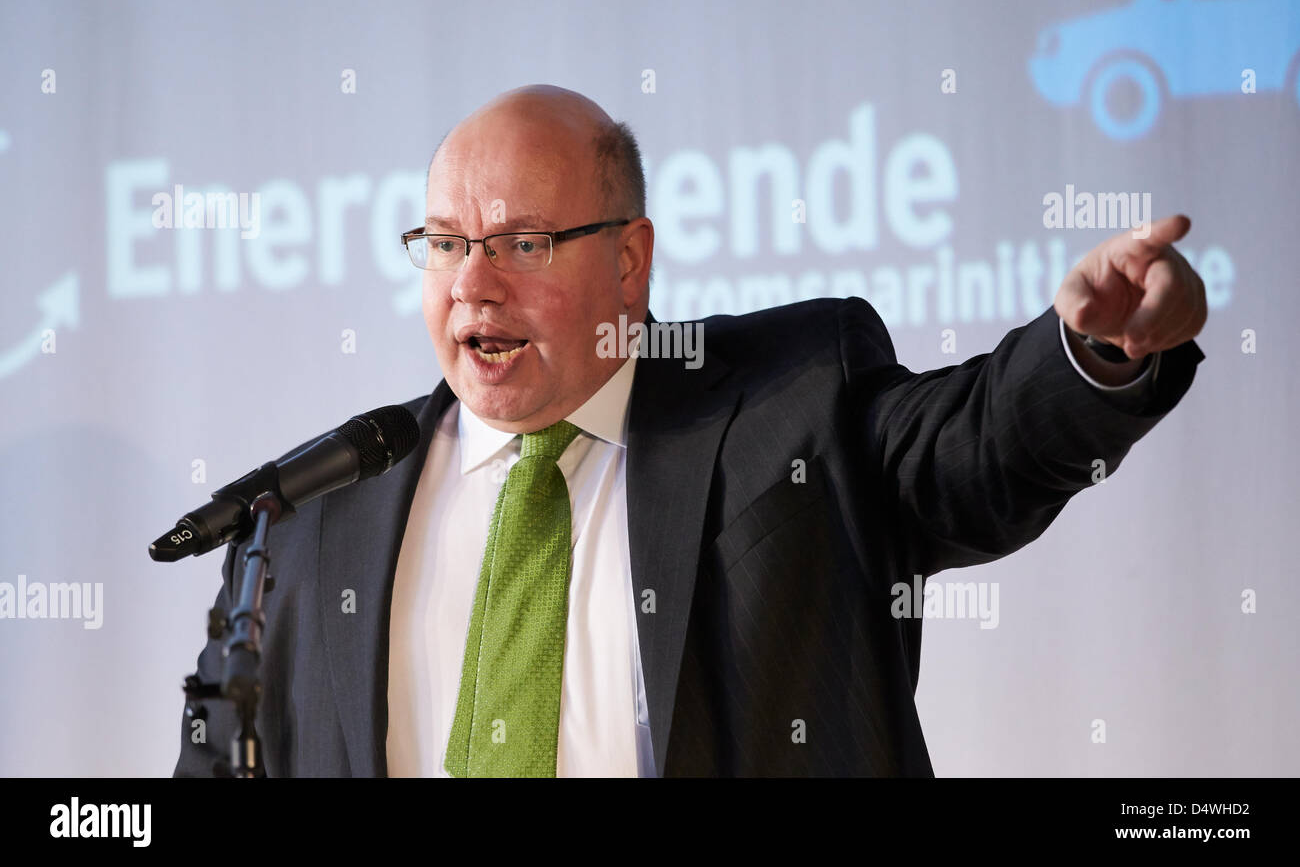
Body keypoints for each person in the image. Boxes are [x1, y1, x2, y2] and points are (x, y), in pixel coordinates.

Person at [174, 84, 1206, 777]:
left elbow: (976, 449)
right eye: (445, 242)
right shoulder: (317, 514)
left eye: (521, 241)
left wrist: (1091, 352)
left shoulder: (789, 406)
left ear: (630, 260)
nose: (471, 283)